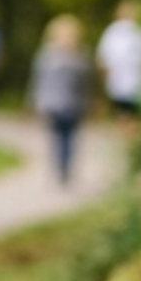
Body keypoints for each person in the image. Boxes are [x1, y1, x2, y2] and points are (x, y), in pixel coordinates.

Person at [28, 14, 91, 186]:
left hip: (63, 105)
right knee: (64, 138)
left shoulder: (49, 56)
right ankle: (63, 168)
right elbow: (39, 81)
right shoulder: (77, 57)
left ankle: (62, 168)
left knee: (62, 138)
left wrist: (35, 101)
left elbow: (37, 81)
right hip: (63, 105)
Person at [97, 0, 141, 127]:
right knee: (126, 114)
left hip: (138, 83)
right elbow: (105, 59)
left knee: (132, 115)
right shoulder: (114, 32)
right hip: (122, 82)